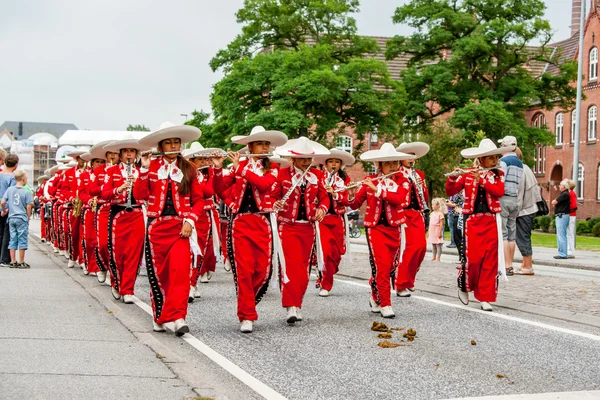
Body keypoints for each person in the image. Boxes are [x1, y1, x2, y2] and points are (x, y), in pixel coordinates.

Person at [213, 126, 288, 333]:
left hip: (262, 223)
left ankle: (247, 303)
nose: (264, 146)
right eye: (260, 143)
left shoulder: (272, 167)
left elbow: (264, 185)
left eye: (266, 144)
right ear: (250, 146)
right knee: (244, 270)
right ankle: (247, 314)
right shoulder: (239, 166)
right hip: (240, 223)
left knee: (262, 270)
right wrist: (219, 169)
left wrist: (240, 169)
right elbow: (218, 189)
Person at [134, 122, 204, 336]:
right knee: (160, 275)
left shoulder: (189, 168)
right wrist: (144, 169)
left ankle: (178, 316)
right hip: (157, 228)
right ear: (161, 145)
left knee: (180, 273)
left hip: (180, 228)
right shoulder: (151, 167)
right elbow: (139, 195)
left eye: (176, 141)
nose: (173, 145)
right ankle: (160, 315)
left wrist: (190, 221)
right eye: (168, 142)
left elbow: (199, 200)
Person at [348, 143, 414, 318]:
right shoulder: (370, 180)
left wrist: (378, 190)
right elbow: (354, 204)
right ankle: (385, 303)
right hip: (375, 228)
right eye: (387, 163)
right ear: (380, 165)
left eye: (394, 162)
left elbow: (401, 200)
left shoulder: (403, 181)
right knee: (382, 265)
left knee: (390, 267)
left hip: (395, 228)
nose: (392, 166)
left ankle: (375, 295)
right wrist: (347, 194)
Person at [446, 138, 511, 312]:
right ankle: (464, 286)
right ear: (482, 159)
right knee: (473, 260)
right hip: (473, 221)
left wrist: (481, 180)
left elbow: (498, 191)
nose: (495, 161)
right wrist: (452, 179)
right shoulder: (468, 173)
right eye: (491, 158)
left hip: (491, 220)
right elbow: (451, 191)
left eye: (496, 158)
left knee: (489, 261)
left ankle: (485, 297)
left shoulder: (497, 174)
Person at [273, 137, 330, 324]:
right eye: (303, 159)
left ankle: (297, 303)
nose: (306, 162)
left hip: (308, 227)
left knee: (304, 269)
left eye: (309, 159)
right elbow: (271, 196)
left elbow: (324, 198)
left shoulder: (317, 175)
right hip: (288, 226)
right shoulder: (282, 174)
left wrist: (322, 207)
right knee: (290, 266)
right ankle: (290, 305)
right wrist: (276, 203)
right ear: (293, 159)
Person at [101, 139, 149, 304]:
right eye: (126, 151)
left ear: (136, 154)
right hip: (118, 213)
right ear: (120, 154)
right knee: (117, 252)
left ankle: (128, 289)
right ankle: (116, 281)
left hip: (136, 213)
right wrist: (118, 189)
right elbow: (104, 193)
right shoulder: (111, 171)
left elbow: (147, 194)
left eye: (132, 151)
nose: (129, 154)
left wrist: (138, 185)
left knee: (133, 253)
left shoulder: (140, 171)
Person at [314, 148, 355, 297]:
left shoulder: (345, 180)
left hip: (338, 219)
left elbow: (348, 201)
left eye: (337, 162)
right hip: (322, 219)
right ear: (325, 163)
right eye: (331, 161)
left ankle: (325, 273)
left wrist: (336, 194)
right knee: (326, 252)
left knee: (336, 254)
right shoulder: (318, 176)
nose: (333, 164)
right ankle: (326, 284)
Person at [394, 141, 430, 298]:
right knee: (408, 249)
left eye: (413, 156)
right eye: (407, 156)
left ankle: (409, 279)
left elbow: (426, 197)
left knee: (421, 248)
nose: (411, 159)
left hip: (417, 213)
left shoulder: (419, 174)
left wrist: (422, 186)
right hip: (403, 213)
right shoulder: (396, 173)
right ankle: (401, 283)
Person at [498, 136, 523, 276]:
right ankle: (510, 265)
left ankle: (504, 265)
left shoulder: (503, 161)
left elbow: (500, 181)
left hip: (504, 199)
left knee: (503, 234)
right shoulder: (519, 163)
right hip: (515, 199)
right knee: (512, 234)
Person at [514, 147, 540, 275]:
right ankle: (525, 263)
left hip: (524, 210)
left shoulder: (520, 170)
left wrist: (514, 211)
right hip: (530, 208)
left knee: (522, 237)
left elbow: (519, 193)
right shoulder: (527, 168)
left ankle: (528, 265)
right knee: (524, 236)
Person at [1, 170, 33, 268]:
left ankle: (13, 261)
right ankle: (21, 261)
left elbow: (2, 202)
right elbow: (28, 206)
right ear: (24, 179)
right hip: (21, 218)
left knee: (13, 238)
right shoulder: (27, 192)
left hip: (11, 218)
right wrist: (28, 216)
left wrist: (4, 210)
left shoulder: (10, 190)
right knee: (22, 238)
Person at [0, 154, 18, 267]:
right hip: (6, 208)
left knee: (0, 233)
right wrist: (6, 208)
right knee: (7, 233)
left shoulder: (0, 175)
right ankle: (4, 258)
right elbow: (10, 194)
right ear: (16, 165)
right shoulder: (13, 177)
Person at [551, 180, 571, 260]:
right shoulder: (565, 194)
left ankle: (563, 254)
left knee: (561, 235)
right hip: (562, 216)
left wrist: (554, 201)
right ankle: (562, 252)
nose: (559, 186)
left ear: (564, 187)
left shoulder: (564, 194)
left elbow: (554, 202)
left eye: (560, 185)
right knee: (561, 235)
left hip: (561, 216)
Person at [428, 198, 447, 262]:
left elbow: (441, 223)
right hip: (432, 229)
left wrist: (440, 231)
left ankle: (438, 257)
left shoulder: (440, 214)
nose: (432, 206)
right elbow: (430, 222)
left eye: (434, 204)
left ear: (438, 205)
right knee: (433, 244)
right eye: (432, 204)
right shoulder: (432, 213)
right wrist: (429, 231)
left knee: (438, 244)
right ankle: (433, 256)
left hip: (437, 229)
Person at [567, 180, 577, 258]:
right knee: (569, 233)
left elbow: (573, 205)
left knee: (570, 233)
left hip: (571, 215)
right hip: (570, 214)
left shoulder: (571, 194)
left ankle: (570, 250)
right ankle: (569, 249)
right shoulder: (570, 193)